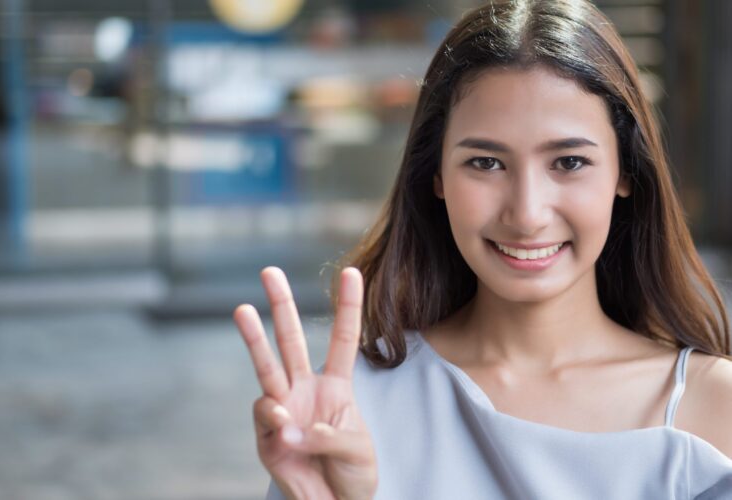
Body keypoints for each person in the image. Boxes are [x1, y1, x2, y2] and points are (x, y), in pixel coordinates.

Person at [234, 0, 732, 498]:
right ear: (435, 176)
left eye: (570, 162)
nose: (527, 213)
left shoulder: (714, 406)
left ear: (625, 172)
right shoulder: (350, 408)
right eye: (487, 163)